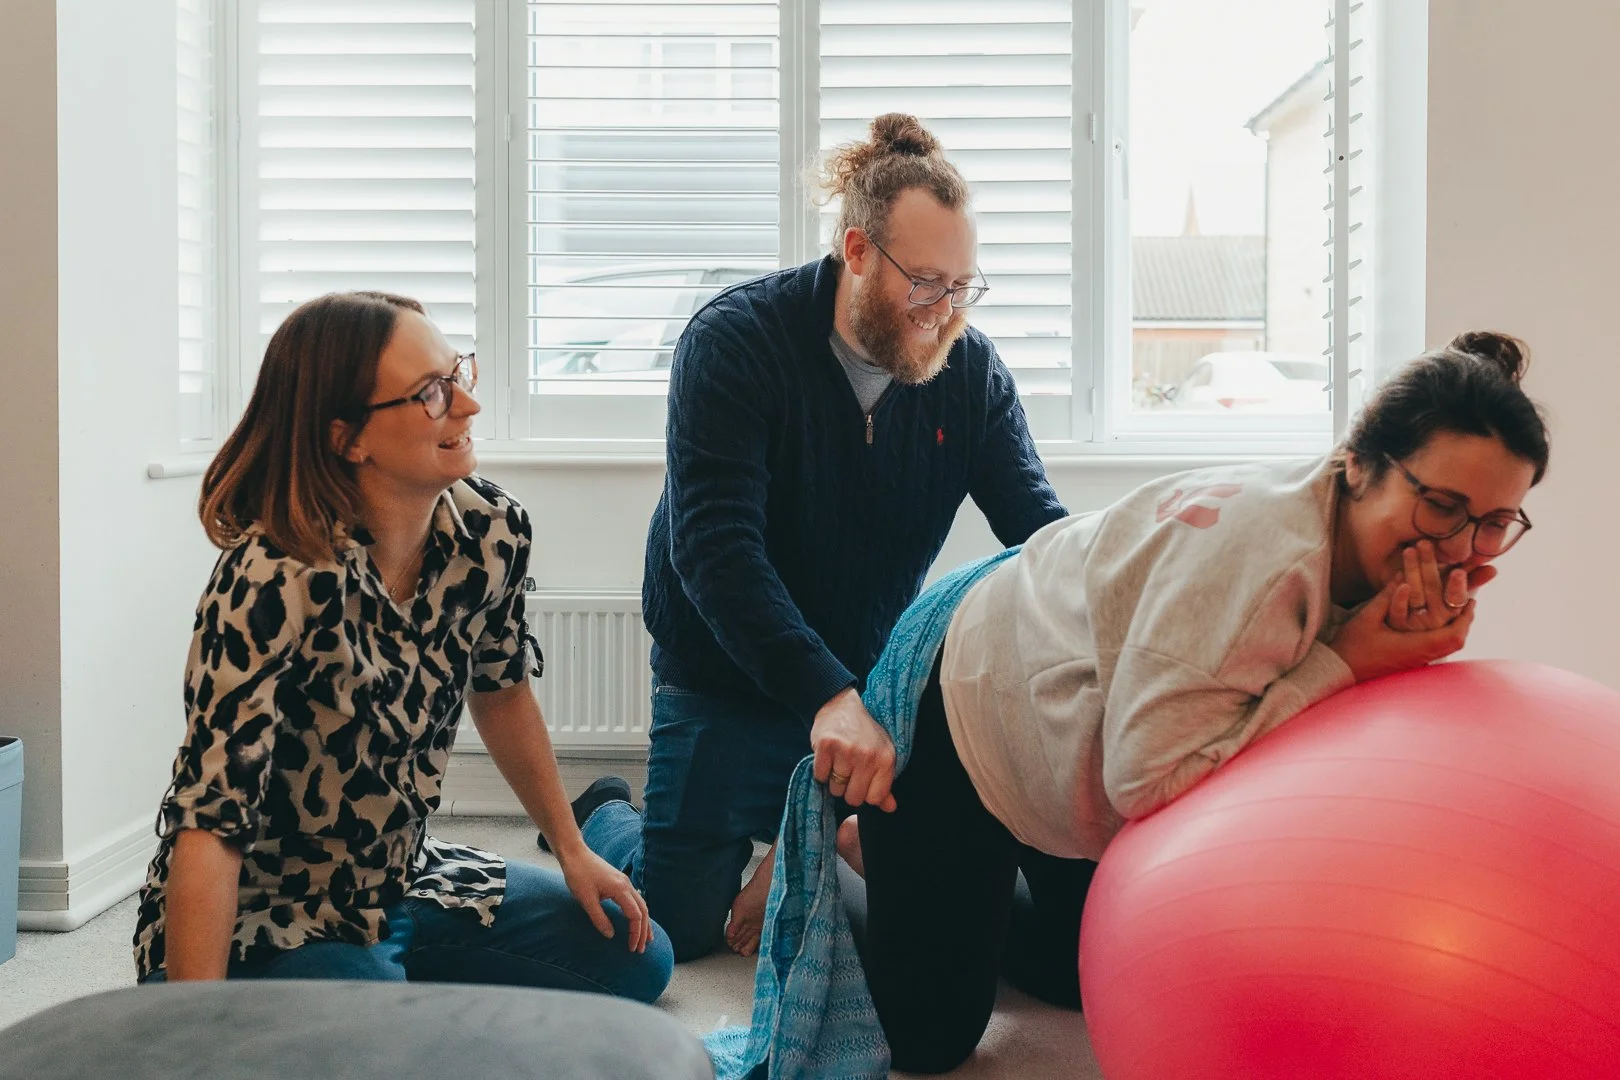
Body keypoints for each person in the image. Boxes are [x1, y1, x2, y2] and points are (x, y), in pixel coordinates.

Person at [835, 330, 1552, 1073]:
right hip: (974, 707)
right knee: (930, 1042)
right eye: (1441, 506)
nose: (1461, 548)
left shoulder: (1368, 547)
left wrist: (1384, 654)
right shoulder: (1261, 570)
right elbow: (1144, 782)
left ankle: (970, 886)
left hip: (1096, 710)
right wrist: (1354, 661)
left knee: (1091, 975)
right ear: (1359, 464)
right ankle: (872, 853)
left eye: (1496, 523)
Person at [569, 113, 1068, 962]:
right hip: (724, 671)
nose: (944, 311)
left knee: (923, 880)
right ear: (859, 251)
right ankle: (608, 815)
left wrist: (1124, 571)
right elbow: (716, 552)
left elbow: (1036, 527)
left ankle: (799, 852)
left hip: (861, 683)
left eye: (963, 285)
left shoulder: (971, 373)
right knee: (676, 931)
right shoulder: (733, 342)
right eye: (925, 283)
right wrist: (825, 697)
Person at [132, 291, 673, 1001]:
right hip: (280, 911)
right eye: (431, 394)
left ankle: (388, 983)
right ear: (347, 437)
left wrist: (573, 850)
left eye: (458, 376)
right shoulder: (272, 578)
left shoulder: (490, 532)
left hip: (407, 874)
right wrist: (187, 1026)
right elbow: (211, 822)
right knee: (370, 1051)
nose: (468, 407)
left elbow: (503, 692)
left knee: (640, 956)